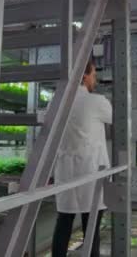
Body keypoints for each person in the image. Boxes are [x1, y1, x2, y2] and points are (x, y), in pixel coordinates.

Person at [52, 59, 112, 257]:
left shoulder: (57, 102)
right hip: (91, 173)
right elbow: (121, 118)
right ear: (85, 76)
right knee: (91, 230)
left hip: (65, 172)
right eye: (94, 74)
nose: (95, 79)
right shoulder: (96, 102)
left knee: (63, 225)